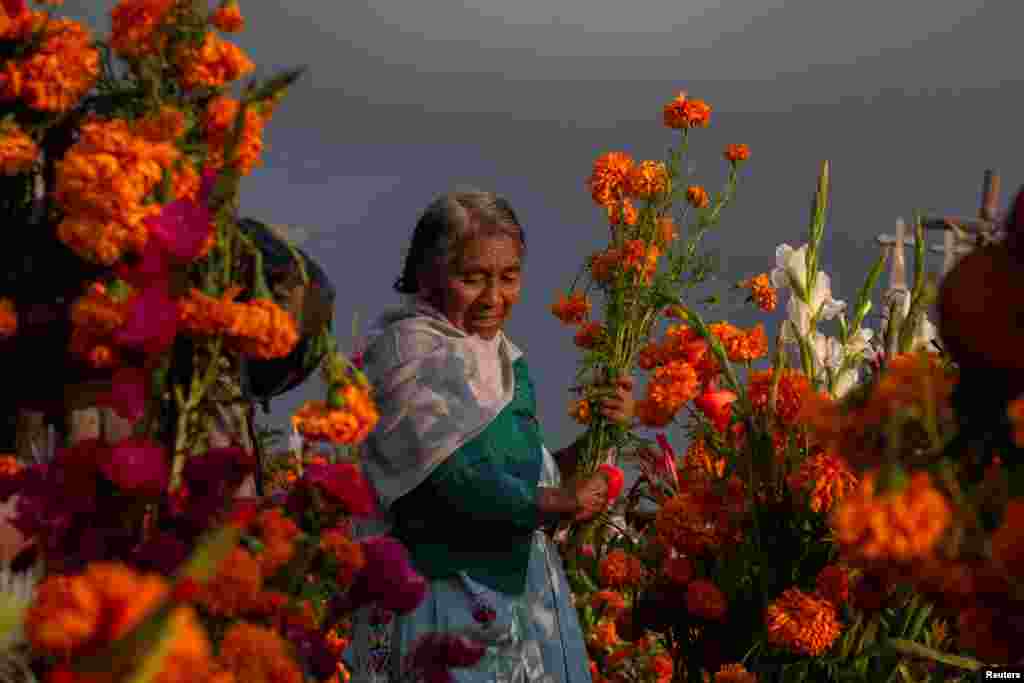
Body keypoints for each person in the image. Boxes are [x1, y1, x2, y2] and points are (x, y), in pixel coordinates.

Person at [346, 189, 635, 683]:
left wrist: (602, 432)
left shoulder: (501, 361)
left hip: (518, 602)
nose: (493, 298)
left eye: (508, 278)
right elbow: (438, 485)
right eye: (472, 278)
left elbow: (528, 475)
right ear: (426, 274)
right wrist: (553, 503)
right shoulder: (406, 354)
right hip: (442, 602)